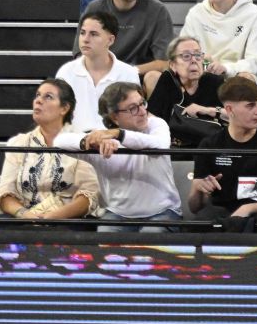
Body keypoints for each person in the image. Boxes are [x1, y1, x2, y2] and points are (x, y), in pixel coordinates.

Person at [187, 76, 257, 230]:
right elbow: (195, 207)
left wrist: (247, 209)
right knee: (201, 221)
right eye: (250, 106)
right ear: (230, 110)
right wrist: (198, 188)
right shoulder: (209, 145)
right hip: (221, 213)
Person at [78, 81, 183, 229]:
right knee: (104, 235)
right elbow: (60, 141)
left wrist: (119, 134)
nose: (142, 111)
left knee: (151, 237)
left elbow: (159, 144)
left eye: (142, 103)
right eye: (133, 108)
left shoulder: (156, 124)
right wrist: (87, 141)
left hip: (163, 212)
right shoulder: (104, 138)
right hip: (117, 214)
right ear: (114, 117)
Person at [0, 79, 98, 220]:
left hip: (67, 220)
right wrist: (25, 214)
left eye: (48, 97)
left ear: (64, 108)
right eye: (37, 95)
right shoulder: (19, 143)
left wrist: (53, 216)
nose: (38, 101)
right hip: (26, 217)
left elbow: (88, 196)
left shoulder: (81, 143)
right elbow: (5, 194)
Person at [58, 10, 142, 130]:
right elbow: (58, 118)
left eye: (93, 34)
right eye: (82, 33)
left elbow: (133, 119)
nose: (85, 39)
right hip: (75, 140)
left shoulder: (128, 74)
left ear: (110, 40)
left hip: (115, 139)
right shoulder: (66, 72)